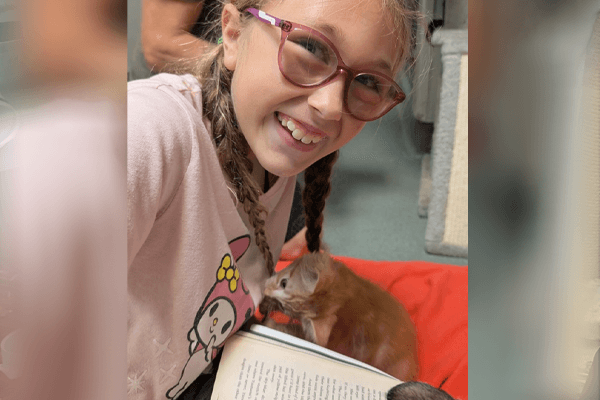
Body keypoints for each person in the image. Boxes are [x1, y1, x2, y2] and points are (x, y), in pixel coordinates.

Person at [127, 0, 419, 399]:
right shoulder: (147, 131)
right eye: (311, 47)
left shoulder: (274, 166)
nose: (330, 107)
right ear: (232, 32)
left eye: (369, 82)